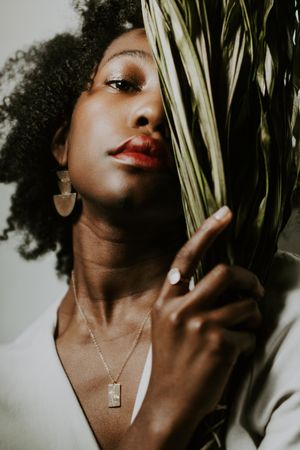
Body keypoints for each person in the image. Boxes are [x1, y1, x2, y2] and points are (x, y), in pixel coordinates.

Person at [0, 1, 299, 449]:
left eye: (186, 106)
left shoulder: (283, 311)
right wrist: (160, 417)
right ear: (62, 141)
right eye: (122, 83)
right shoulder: (8, 385)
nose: (153, 114)